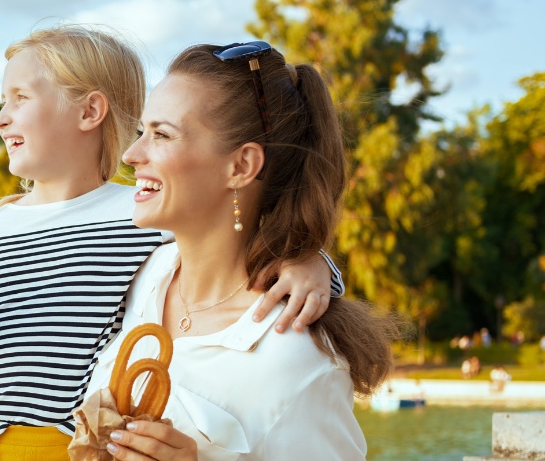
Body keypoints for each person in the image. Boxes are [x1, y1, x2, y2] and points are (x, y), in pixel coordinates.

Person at [0, 26, 346, 461]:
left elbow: (234, 239)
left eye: (20, 97)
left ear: (89, 111)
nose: (0, 117)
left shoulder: (141, 221)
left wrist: (311, 262)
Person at [83, 41, 397, 459]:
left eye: (162, 134)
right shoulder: (137, 273)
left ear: (241, 166)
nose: (131, 154)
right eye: (142, 131)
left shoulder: (295, 361)